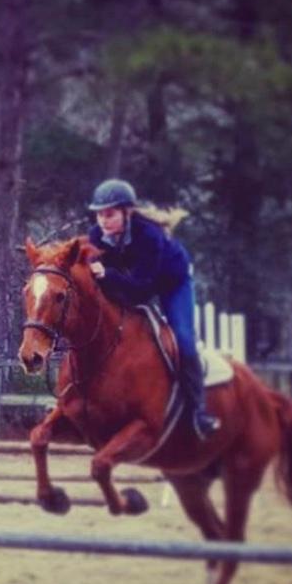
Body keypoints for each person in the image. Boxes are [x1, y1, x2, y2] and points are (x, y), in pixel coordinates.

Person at [87, 178, 221, 440]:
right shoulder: (96, 237)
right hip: (134, 282)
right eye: (99, 214)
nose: (103, 220)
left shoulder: (149, 235)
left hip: (172, 283)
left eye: (110, 214)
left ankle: (198, 413)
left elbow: (141, 289)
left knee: (183, 340)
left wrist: (106, 276)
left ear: (127, 212)